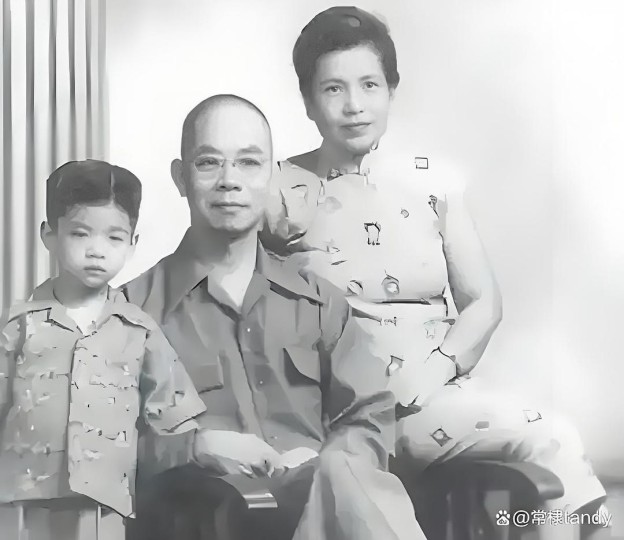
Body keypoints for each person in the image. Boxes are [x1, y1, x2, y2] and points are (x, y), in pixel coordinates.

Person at [262, 6, 608, 539]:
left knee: (554, 439)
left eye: (369, 85)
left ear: (391, 91)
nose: (354, 105)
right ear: (307, 100)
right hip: (342, 413)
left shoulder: (432, 180)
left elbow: (483, 303)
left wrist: (434, 370)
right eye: (333, 89)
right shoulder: (277, 189)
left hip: (433, 396)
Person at [123, 94, 424, 540]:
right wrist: (195, 447)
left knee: (345, 471)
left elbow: (369, 414)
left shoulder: (320, 303)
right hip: (206, 523)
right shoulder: (130, 314)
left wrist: (329, 466)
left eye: (248, 163)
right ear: (180, 178)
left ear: (272, 177)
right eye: (209, 163)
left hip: (323, 515)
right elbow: (98, 448)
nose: (230, 181)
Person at [0, 160, 206, 540]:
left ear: (133, 243)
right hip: (21, 504)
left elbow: (175, 418)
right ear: (49, 235)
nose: (97, 251)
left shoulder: (139, 331)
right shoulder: (18, 326)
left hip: (103, 505)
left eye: (114, 237)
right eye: (80, 234)